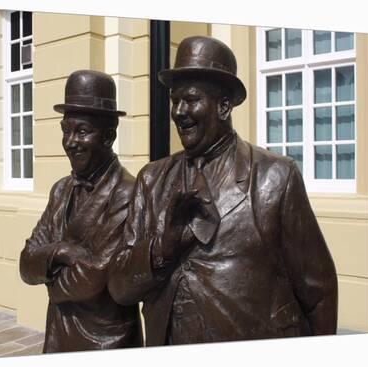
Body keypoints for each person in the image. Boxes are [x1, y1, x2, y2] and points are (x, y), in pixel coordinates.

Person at [108, 36, 338, 346]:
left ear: (224, 106)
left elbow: (318, 291)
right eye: (175, 100)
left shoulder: (274, 176)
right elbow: (121, 287)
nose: (178, 111)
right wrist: (163, 247)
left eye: (190, 99)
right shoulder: (152, 180)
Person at [19, 70, 143, 353]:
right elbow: (26, 264)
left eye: (82, 131)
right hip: (59, 334)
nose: (70, 141)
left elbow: (90, 279)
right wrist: (61, 251)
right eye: (66, 130)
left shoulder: (129, 192)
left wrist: (50, 280)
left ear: (108, 137)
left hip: (107, 341)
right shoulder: (61, 190)